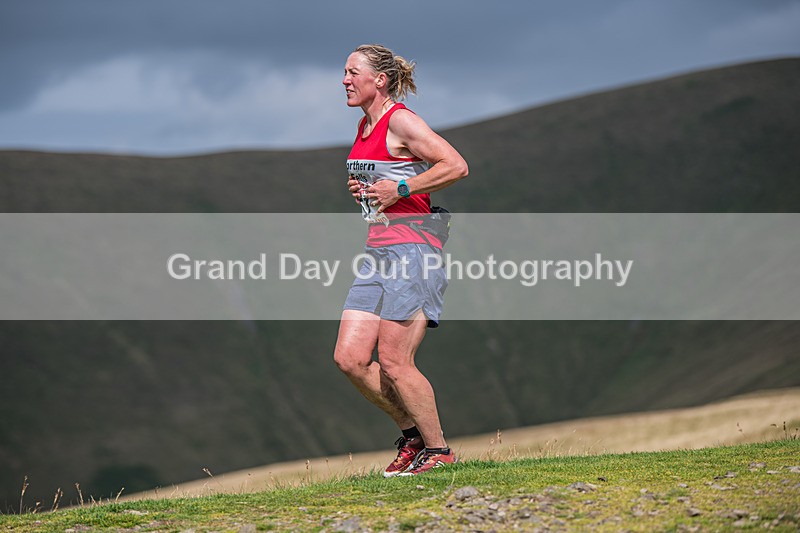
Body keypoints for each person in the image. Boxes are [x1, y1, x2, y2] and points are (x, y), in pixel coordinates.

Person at [334, 44, 468, 477]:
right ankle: (412, 436)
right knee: (350, 358)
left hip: (414, 251)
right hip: (378, 251)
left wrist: (403, 191)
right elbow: (384, 177)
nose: (345, 80)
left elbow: (456, 165)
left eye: (354, 72)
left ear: (380, 80)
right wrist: (367, 190)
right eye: (345, 72)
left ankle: (439, 450)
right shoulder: (364, 124)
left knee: (394, 361)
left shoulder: (402, 120)